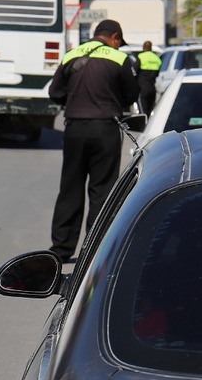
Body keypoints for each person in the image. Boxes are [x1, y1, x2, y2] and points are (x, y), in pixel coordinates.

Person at [47, 19, 140, 263]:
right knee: (102, 190)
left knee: (70, 188)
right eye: (119, 42)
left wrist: (74, 99)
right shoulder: (119, 58)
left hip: (75, 128)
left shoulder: (71, 55)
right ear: (115, 37)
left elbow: (55, 92)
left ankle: (61, 249)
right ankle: (94, 249)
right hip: (105, 129)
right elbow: (132, 93)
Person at [136, 40, 162, 114]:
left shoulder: (141, 57)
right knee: (150, 112)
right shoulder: (156, 58)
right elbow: (157, 73)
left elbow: (135, 71)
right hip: (152, 89)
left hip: (142, 88)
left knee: (143, 112)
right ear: (151, 48)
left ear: (143, 48)